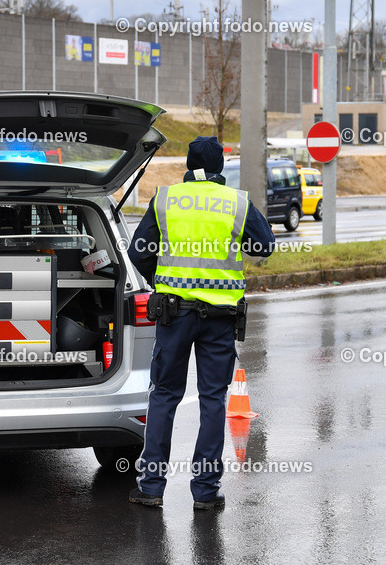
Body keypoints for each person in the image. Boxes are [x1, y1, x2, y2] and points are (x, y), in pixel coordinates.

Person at [127, 136, 276, 510]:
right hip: (219, 319)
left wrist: (163, 280)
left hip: (174, 314)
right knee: (212, 400)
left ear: (189, 165)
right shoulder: (236, 202)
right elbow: (264, 247)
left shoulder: (166, 199)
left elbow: (137, 251)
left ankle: (151, 487)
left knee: (164, 395)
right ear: (220, 167)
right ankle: (206, 491)